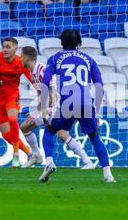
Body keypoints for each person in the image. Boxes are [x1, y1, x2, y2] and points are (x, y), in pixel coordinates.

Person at [38, 30, 115, 183]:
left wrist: (45, 110)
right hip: (86, 103)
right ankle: (108, 174)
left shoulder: (54, 58)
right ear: (79, 42)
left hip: (66, 102)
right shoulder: (89, 59)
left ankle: (49, 162)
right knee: (94, 137)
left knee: (49, 131)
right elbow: (99, 86)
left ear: (61, 42)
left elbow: (45, 83)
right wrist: (97, 113)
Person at [19, 46, 95, 170]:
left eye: (21, 56)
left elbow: (53, 92)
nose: (19, 59)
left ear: (27, 57)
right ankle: (37, 155)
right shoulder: (33, 73)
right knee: (28, 127)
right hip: (54, 106)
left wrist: (42, 111)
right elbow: (41, 93)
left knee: (59, 133)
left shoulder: (42, 69)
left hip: (60, 105)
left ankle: (85, 161)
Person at [0, 38, 33, 168]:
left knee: (13, 120)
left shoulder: (20, 62)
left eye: (8, 47)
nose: (5, 50)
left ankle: (16, 156)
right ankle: (30, 153)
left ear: (15, 49)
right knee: (7, 136)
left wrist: (41, 90)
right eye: (4, 47)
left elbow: (32, 79)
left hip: (12, 97)